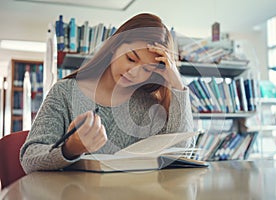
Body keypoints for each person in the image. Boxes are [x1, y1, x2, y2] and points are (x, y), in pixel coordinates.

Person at [20, 13, 194, 174]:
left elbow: (180, 151)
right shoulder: (64, 92)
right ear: (115, 46)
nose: (134, 72)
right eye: (131, 58)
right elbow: (29, 158)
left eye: (147, 69)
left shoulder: (149, 104)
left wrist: (177, 85)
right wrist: (70, 148)